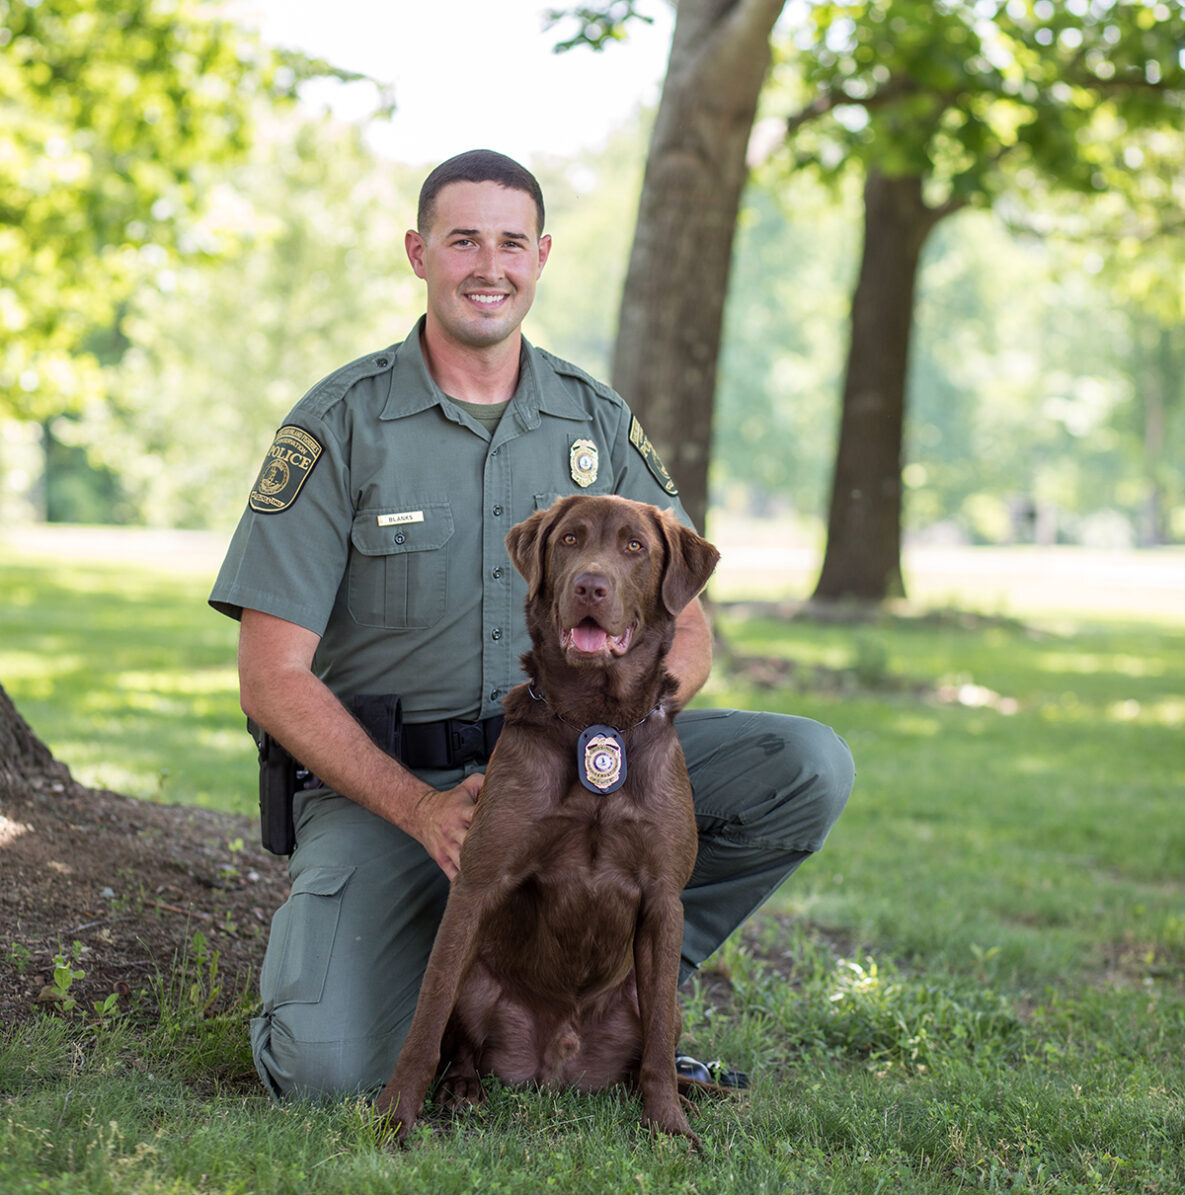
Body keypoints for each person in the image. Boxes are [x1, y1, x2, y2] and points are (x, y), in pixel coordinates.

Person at [210, 149, 853, 1102]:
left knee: (803, 766)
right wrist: (421, 809)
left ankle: (620, 998)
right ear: (418, 253)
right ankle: (422, 982)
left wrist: (618, 753)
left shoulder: (593, 418)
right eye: (462, 239)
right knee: (324, 1071)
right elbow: (272, 679)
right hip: (398, 791)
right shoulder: (341, 424)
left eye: (511, 242)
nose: (488, 265)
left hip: (575, 763)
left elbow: (689, 632)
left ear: (542, 256)